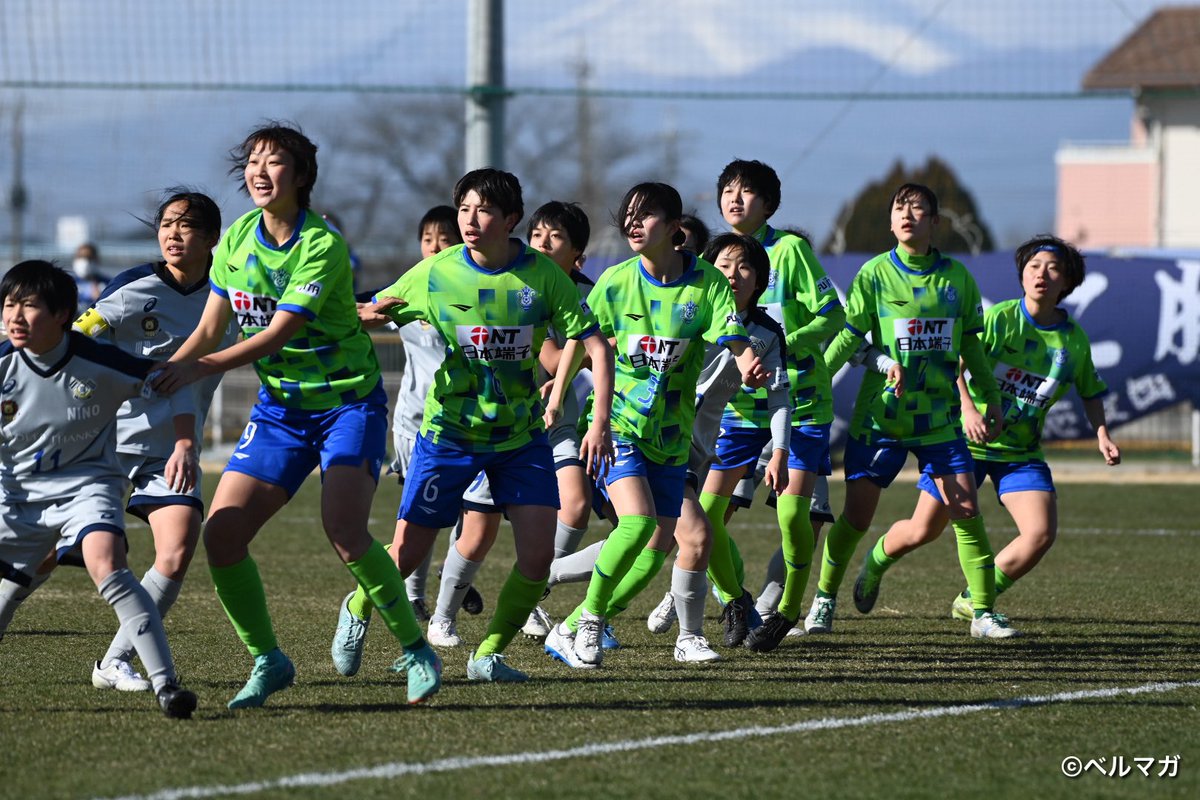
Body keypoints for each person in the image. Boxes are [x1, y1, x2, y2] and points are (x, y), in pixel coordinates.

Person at [153, 122, 444, 708]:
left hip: (347, 404)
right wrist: (158, 371)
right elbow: (211, 326)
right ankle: (268, 660)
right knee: (223, 534)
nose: (260, 173)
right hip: (281, 410)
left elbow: (278, 333)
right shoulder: (235, 239)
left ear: (302, 176)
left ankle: (416, 649)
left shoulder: (321, 244)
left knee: (343, 532)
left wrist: (197, 368)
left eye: (275, 162)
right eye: (253, 163)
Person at [357, 168, 615, 683]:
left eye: (484, 211)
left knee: (538, 556)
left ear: (510, 219)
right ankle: (357, 609)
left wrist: (599, 418)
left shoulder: (543, 277)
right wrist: (353, 315)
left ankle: (488, 655)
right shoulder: (436, 272)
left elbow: (595, 346)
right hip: (451, 432)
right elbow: (377, 310)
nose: (470, 221)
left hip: (520, 437)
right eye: (464, 210)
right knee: (408, 551)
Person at [542, 182, 767, 669]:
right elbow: (581, 344)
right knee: (640, 523)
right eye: (627, 215)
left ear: (673, 227)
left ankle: (682, 637)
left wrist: (747, 358)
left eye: (645, 215)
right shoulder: (616, 283)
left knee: (671, 540)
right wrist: (558, 395)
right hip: (618, 427)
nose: (633, 223)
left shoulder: (704, 283)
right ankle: (588, 621)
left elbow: (730, 329)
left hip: (671, 439)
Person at [853, 235, 1119, 623]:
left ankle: (976, 598)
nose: (1041, 275)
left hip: (1020, 453)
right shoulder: (1000, 319)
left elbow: (1091, 390)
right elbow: (955, 366)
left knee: (1040, 534)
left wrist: (1102, 435)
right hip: (963, 444)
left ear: (1068, 281)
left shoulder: (1072, 340)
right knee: (923, 530)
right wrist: (968, 409)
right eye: (1033, 267)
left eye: (1053, 269)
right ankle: (875, 562)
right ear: (1022, 275)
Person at [809, 182, 1015, 639]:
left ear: (935, 223)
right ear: (890, 221)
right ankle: (824, 599)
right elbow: (851, 336)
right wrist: (819, 376)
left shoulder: (956, 278)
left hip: (939, 422)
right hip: (880, 419)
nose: (907, 215)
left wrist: (991, 397)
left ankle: (983, 612)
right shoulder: (874, 274)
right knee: (857, 518)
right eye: (900, 209)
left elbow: (971, 347)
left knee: (966, 509)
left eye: (918, 209)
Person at [0, 260, 198, 718]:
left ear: (64, 313)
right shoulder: (4, 363)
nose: (15, 317)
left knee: (107, 563)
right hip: (19, 495)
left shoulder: (100, 360)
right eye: (9, 305)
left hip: (88, 487)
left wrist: (185, 442)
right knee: (13, 581)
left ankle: (167, 687)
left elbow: (175, 386)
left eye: (29, 307)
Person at [69, 190, 236, 692]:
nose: (172, 234)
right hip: (104, 442)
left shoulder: (226, 299)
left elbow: (285, 325)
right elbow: (79, 336)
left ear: (212, 239)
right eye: (166, 224)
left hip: (173, 447)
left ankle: (114, 662)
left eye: (186, 226)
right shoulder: (132, 287)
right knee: (45, 555)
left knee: (177, 549)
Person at [708, 159, 847, 652]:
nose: (735, 199)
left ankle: (788, 608)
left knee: (792, 517)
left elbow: (834, 313)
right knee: (703, 516)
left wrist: (785, 344)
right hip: (735, 410)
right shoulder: (713, 258)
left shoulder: (790, 251)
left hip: (800, 402)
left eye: (747, 192)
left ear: (769, 204)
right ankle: (734, 599)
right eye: (728, 190)